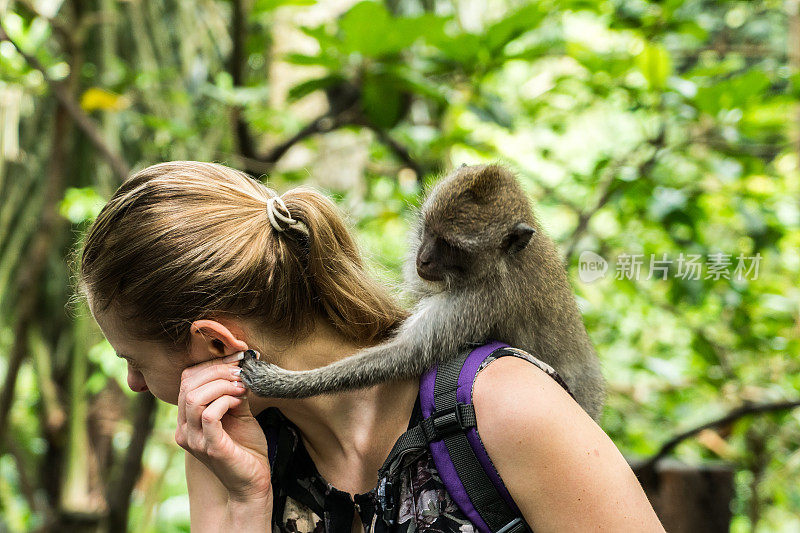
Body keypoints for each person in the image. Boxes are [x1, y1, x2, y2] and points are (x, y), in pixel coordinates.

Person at [76, 161, 665, 532]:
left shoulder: (503, 408)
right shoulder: (226, 449)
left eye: (135, 362)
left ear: (215, 343)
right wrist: (245, 502)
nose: (132, 384)